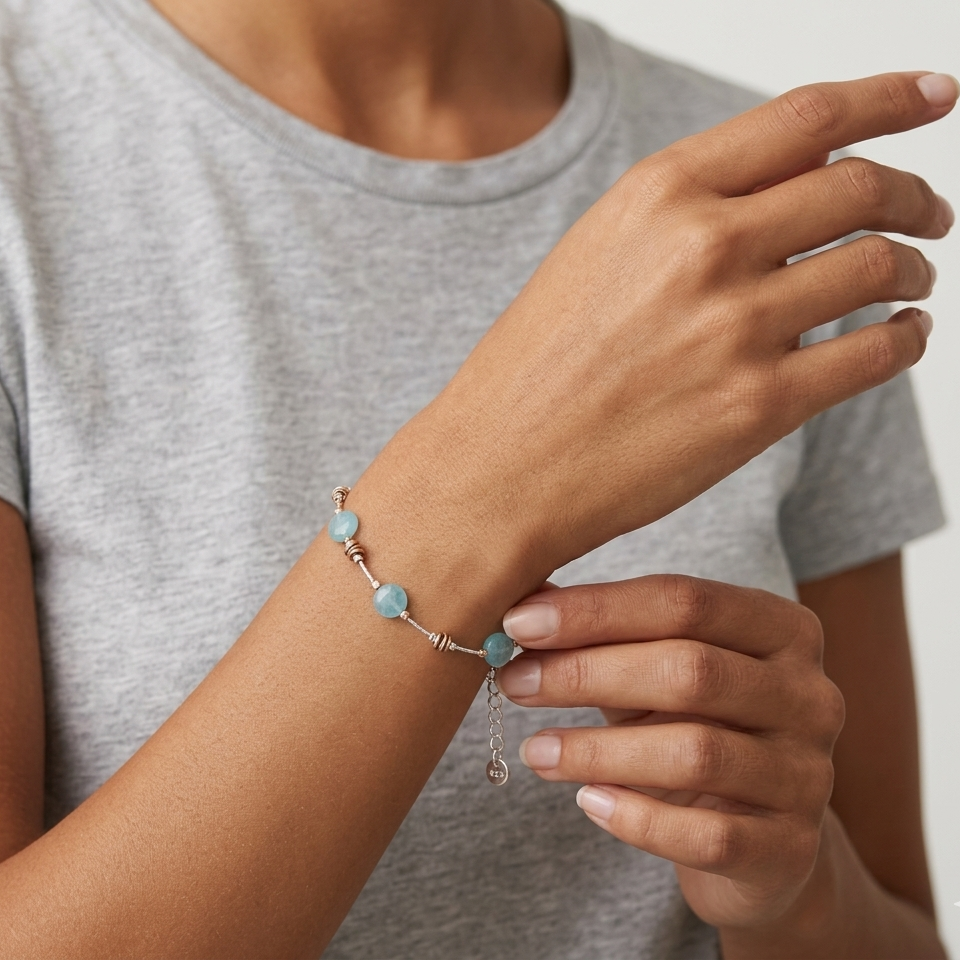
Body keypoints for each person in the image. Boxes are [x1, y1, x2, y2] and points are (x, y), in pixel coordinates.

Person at [0, 0, 953, 957]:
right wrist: (490, 485)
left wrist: (793, 896)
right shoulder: (27, 149)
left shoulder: (763, 217)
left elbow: (898, 928)